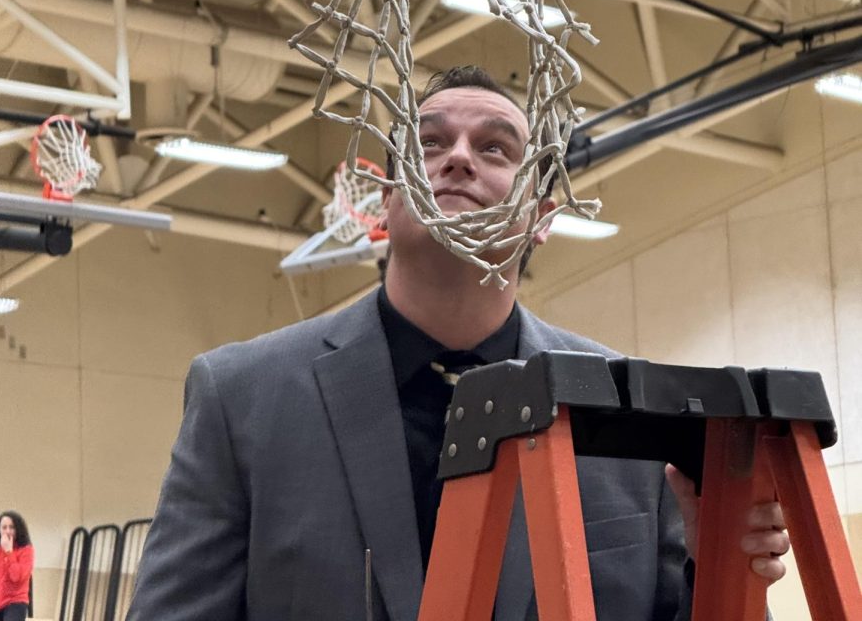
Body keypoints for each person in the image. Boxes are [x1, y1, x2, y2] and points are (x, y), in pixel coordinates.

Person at [127, 65, 789, 621]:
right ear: (385, 202)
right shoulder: (240, 397)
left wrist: (716, 569)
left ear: (541, 218)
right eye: (430, 143)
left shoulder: (630, 413)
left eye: (495, 148)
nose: (459, 158)